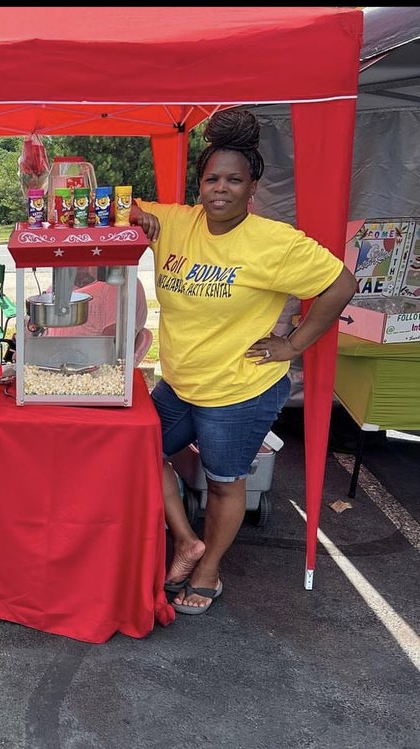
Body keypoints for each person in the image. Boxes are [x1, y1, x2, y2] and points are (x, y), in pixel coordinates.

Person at [129, 108, 357, 616]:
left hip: (239, 390)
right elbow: (122, 206)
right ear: (200, 184)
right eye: (212, 178)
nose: (221, 189)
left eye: (234, 180)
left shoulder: (274, 242)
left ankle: (208, 572)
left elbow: (341, 284)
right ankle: (187, 541)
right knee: (137, 450)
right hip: (180, 383)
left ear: (253, 187)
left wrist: (293, 344)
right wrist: (136, 215)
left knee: (224, 481)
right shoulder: (177, 221)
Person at [40, 266, 151, 365]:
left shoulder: (114, 286)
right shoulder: (59, 288)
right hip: (52, 357)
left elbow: (114, 343)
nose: (79, 268)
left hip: (85, 366)